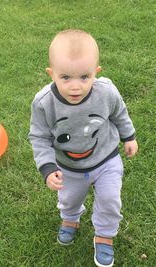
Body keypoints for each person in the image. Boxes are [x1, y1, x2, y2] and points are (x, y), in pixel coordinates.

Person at [29, 29, 138, 267]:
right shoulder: (43, 102)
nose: (75, 86)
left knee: (110, 199)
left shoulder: (106, 92)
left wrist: (128, 136)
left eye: (85, 77)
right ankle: (70, 219)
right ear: (51, 73)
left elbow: (119, 113)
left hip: (105, 159)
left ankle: (105, 235)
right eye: (66, 77)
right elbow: (39, 136)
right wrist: (47, 168)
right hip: (69, 166)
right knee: (69, 199)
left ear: (96, 73)